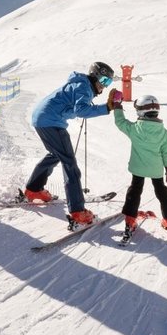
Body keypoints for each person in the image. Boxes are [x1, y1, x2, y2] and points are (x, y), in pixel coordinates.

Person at [25, 61, 116, 229]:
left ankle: (34, 189)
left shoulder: (79, 84)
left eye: (108, 83)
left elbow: (71, 110)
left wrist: (100, 107)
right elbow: (81, 111)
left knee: (55, 155)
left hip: (42, 118)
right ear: (95, 76)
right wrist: (106, 108)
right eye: (104, 81)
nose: (104, 87)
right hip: (51, 122)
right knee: (70, 165)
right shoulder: (84, 87)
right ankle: (77, 211)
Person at [110, 94, 167, 242]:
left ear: (140, 112)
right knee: (161, 191)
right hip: (156, 170)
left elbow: (120, 121)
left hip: (138, 169)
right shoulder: (163, 132)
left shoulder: (135, 129)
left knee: (134, 191)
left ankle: (130, 221)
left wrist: (117, 105)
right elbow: (166, 153)